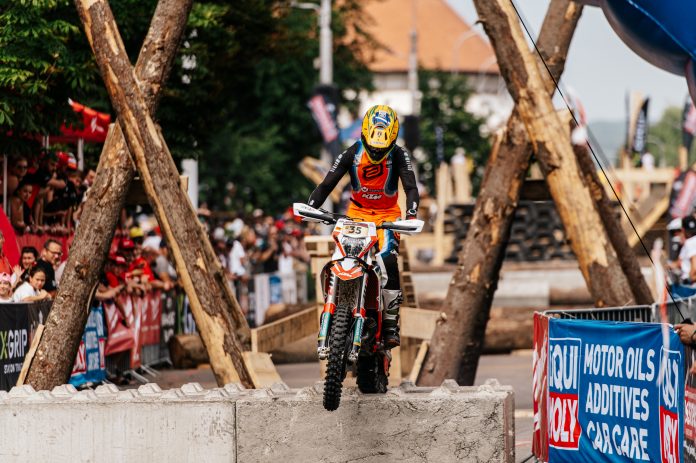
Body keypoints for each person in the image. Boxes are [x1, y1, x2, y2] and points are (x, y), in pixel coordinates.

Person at [307, 104, 419, 348]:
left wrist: (411, 215)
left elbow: (411, 187)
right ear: (365, 135)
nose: (377, 152)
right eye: (372, 147)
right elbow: (327, 183)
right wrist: (312, 206)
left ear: (392, 140)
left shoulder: (399, 154)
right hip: (356, 215)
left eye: (383, 148)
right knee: (340, 256)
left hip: (387, 217)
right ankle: (335, 306)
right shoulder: (352, 152)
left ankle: (390, 323)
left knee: (387, 260)